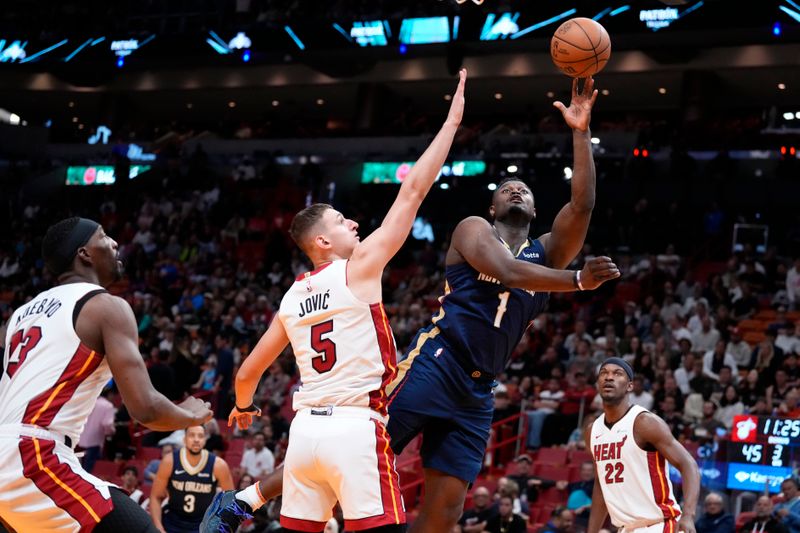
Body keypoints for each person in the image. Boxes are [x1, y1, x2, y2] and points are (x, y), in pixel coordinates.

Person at [203, 70, 469, 533]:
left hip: (304, 436)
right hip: (354, 429)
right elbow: (413, 191)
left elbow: (248, 373)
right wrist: (450, 126)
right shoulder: (359, 267)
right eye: (344, 221)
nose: (354, 224)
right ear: (323, 241)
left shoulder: (291, 295)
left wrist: (243, 407)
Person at [385, 76, 618, 533]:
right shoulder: (474, 229)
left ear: (535, 212)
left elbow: (583, 205)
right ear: (492, 207)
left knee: (446, 511)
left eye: (525, 190)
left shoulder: (546, 251)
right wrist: (576, 281)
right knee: (362, 458)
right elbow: (508, 273)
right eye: (507, 188)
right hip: (437, 361)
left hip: (478, 391)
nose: (517, 190)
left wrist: (579, 131)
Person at [0, 217, 213, 532]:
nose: (114, 242)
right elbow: (146, 409)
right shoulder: (104, 306)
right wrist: (189, 415)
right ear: (84, 253)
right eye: (103, 236)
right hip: (34, 455)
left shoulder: (18, 316)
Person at [586, 358, 700, 533]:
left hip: (660, 525)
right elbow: (601, 486)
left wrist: (688, 515)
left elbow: (688, 465)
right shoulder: (592, 431)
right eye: (604, 373)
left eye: (617, 373)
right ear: (598, 384)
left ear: (630, 386)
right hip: (626, 528)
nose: (609, 377)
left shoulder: (644, 422)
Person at [150, 425, 234, 533]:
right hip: (172, 523)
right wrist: (158, 527)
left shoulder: (218, 465)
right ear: (184, 439)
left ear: (205, 440)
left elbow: (231, 502)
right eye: (191, 435)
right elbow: (155, 497)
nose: (196, 439)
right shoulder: (169, 461)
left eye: (200, 436)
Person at [79, 386, 117, 473]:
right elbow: (107, 423)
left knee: (78, 466)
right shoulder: (108, 406)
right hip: (94, 441)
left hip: (81, 438)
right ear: (110, 394)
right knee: (88, 470)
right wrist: (112, 431)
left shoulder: (91, 402)